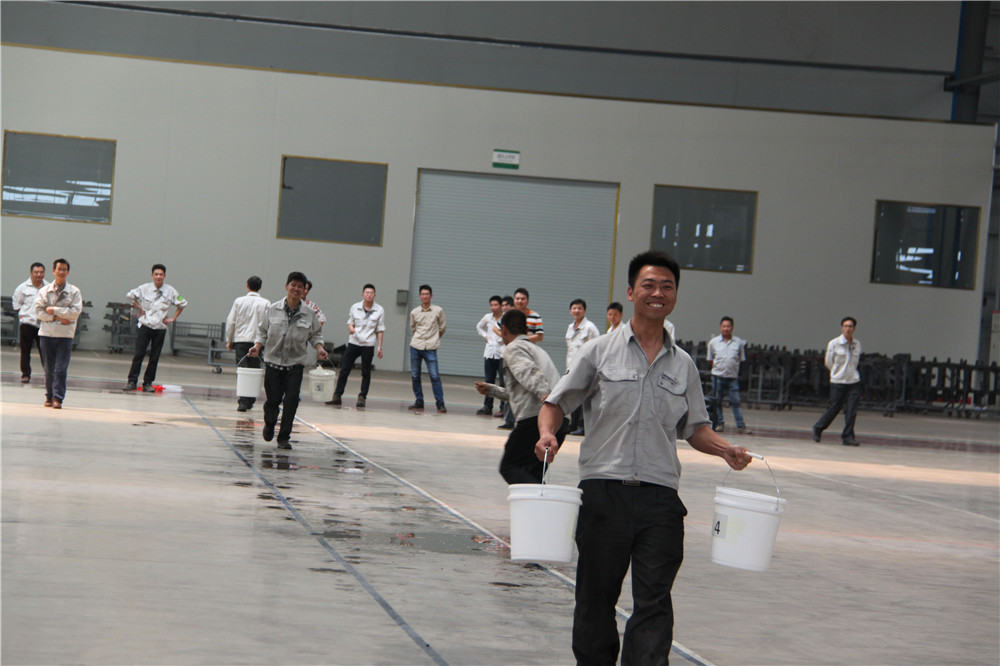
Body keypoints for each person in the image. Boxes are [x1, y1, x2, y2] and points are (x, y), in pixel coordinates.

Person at [535, 250, 752, 665]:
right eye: (649, 285)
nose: (658, 293)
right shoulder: (598, 351)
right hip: (604, 493)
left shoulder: (683, 365)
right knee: (596, 598)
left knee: (654, 603)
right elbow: (555, 403)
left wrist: (726, 450)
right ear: (632, 292)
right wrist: (547, 433)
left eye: (667, 286)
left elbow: (695, 428)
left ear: (675, 296)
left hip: (660, 498)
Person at [475, 309, 570, 483]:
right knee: (532, 474)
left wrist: (546, 397)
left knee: (510, 467)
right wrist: (491, 390)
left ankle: (540, 500)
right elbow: (521, 391)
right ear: (526, 330)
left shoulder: (514, 348)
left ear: (504, 329)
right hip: (559, 420)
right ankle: (540, 500)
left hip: (536, 419)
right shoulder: (537, 350)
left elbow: (530, 373)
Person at [249, 271, 328, 449]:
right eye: (293, 285)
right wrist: (257, 346)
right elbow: (262, 331)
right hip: (273, 363)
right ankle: (270, 423)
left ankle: (284, 437)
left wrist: (320, 348)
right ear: (287, 286)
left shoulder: (309, 313)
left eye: (300, 286)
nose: (296, 289)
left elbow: (316, 334)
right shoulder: (272, 309)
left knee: (291, 401)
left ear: (304, 290)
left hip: (295, 365)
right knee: (273, 401)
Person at [124, 264, 187, 392]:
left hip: (160, 328)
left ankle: (148, 382)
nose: (158, 276)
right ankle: (132, 381)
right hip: (145, 325)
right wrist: (138, 306)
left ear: (164, 276)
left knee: (154, 357)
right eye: (156, 274)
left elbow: (182, 304)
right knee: (139, 354)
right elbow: (130, 295)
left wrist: (173, 318)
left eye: (161, 274)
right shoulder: (144, 288)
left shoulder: (170, 291)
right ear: (152, 275)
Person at [32, 258, 83, 409]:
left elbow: (75, 312)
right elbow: (38, 311)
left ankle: (58, 398)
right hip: (46, 334)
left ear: (68, 272)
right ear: (54, 271)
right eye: (59, 269)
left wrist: (54, 310)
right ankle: (49, 396)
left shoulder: (74, 292)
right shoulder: (44, 291)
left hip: (65, 336)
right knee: (48, 369)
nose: (61, 272)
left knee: (60, 369)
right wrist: (56, 317)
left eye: (64, 269)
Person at [328, 283, 385, 408]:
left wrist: (380, 347)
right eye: (367, 293)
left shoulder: (379, 310)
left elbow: (380, 330)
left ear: (374, 295)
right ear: (363, 294)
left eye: (371, 293)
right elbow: (350, 322)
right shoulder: (355, 307)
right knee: (344, 369)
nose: (369, 295)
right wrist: (351, 328)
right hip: (354, 342)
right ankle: (337, 395)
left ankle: (362, 397)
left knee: (366, 372)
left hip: (368, 344)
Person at [813, 317, 862, 446]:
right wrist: (836, 372)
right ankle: (818, 428)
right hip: (838, 381)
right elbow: (829, 362)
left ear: (854, 328)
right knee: (834, 408)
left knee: (851, 410)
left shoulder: (856, 344)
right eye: (845, 326)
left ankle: (848, 436)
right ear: (842, 328)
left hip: (853, 381)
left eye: (850, 326)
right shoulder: (834, 343)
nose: (848, 329)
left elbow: (856, 361)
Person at [225, 275, 269, 412]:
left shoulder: (239, 301)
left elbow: (231, 321)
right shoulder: (266, 303)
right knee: (254, 370)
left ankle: (243, 401)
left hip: (241, 340)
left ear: (247, 285)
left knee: (242, 370)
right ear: (260, 287)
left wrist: (229, 339)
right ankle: (250, 399)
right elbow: (268, 323)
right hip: (257, 342)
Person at [706, 316, 751, 434]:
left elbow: (741, 359)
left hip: (732, 378)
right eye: (724, 326)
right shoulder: (713, 342)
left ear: (732, 328)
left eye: (728, 326)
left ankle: (741, 426)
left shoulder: (738, 343)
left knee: (736, 402)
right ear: (720, 327)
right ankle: (719, 423)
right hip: (717, 377)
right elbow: (710, 359)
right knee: (717, 402)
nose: (726, 328)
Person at [564, 298, 600, 436]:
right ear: (570, 311)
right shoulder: (570, 327)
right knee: (572, 395)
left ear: (584, 311)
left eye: (579, 308)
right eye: (574, 308)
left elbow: (596, 347)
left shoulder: (590, 327)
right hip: (571, 367)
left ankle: (582, 425)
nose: (576, 311)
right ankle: (572, 424)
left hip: (586, 367)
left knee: (583, 397)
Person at [408, 284, 447, 413]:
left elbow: (442, 327)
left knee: (434, 376)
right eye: (422, 294)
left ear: (431, 296)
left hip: (431, 347)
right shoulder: (414, 312)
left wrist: (435, 338)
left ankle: (440, 403)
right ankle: (419, 401)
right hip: (416, 346)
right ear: (419, 296)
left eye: (427, 294)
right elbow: (413, 328)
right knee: (415, 375)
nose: (424, 296)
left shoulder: (438, 311)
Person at [12, 262, 48, 383]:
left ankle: (48, 374)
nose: (39, 275)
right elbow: (16, 304)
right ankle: (25, 374)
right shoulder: (22, 288)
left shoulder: (48, 288)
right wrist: (23, 316)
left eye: (41, 272)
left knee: (45, 351)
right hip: (27, 323)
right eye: (36, 272)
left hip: (43, 324)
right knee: (25, 351)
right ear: (31, 273)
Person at [475, 295, 504, 416]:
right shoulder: (488, 317)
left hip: (502, 354)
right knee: (488, 381)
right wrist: (485, 336)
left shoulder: (505, 318)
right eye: (491, 305)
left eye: (496, 305)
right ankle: (487, 406)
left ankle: (503, 408)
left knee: (503, 382)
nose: (493, 307)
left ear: (501, 306)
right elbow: (478, 326)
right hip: (489, 353)